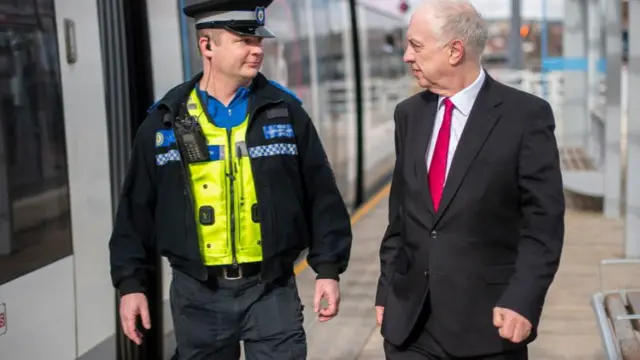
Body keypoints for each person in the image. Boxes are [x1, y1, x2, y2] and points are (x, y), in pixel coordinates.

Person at [108, 0, 352, 359]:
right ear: (207, 46)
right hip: (197, 295)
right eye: (243, 40)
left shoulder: (286, 113)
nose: (257, 50)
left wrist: (328, 269)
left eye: (259, 41)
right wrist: (131, 286)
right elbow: (135, 212)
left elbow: (322, 196)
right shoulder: (163, 123)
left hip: (272, 289)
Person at [374, 1, 565, 359]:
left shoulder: (526, 116)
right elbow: (399, 217)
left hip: (488, 329)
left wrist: (524, 299)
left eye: (415, 45)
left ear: (454, 50)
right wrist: (386, 292)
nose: (406, 56)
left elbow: (544, 224)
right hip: (409, 328)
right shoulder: (408, 115)